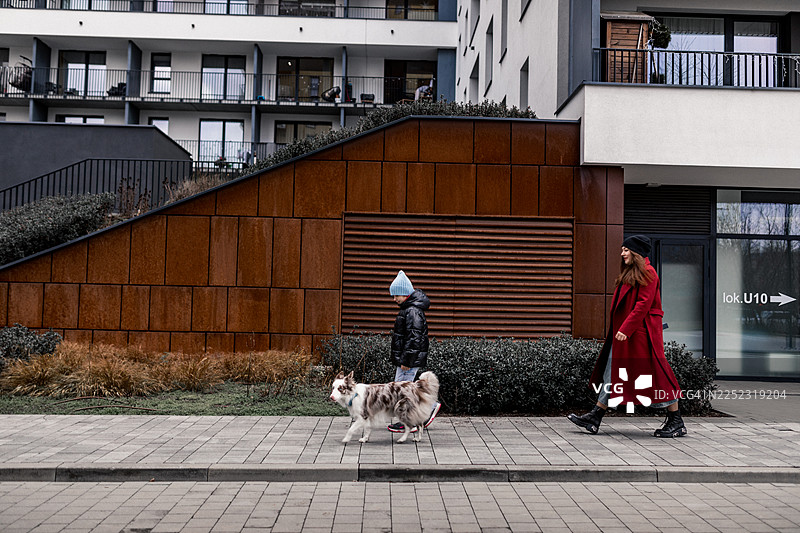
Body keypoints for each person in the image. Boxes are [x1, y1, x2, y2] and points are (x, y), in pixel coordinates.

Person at [567, 235, 687, 438]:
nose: (622, 253)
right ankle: (596, 415)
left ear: (637, 252)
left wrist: (626, 328)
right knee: (611, 371)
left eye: (626, 250)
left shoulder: (649, 273)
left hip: (641, 335)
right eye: (622, 249)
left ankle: (676, 420)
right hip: (626, 334)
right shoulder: (632, 273)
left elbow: (643, 305)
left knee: (657, 375)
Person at [386, 270, 441, 433]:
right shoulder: (410, 309)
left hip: (408, 360)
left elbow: (414, 339)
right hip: (406, 358)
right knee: (403, 389)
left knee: (403, 390)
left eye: (396, 295)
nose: (394, 299)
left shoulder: (412, 311)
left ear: (405, 294)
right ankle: (427, 408)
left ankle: (411, 421)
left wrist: (406, 361)